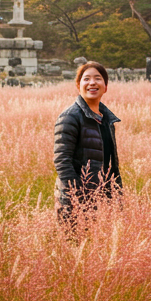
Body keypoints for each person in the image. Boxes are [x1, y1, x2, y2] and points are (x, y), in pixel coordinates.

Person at [53, 61, 123, 222]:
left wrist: (116, 194)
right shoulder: (70, 117)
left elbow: (110, 162)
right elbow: (62, 162)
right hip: (75, 203)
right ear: (78, 86)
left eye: (98, 78)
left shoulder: (107, 119)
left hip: (103, 200)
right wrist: (79, 198)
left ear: (105, 86)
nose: (92, 83)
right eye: (86, 79)